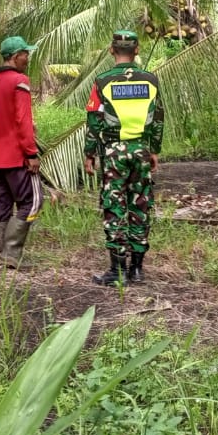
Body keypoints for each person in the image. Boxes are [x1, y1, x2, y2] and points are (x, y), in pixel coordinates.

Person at [83, 30, 164, 286]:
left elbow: (94, 120)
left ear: (111, 50)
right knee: (140, 206)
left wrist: (89, 154)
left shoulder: (103, 81)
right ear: (137, 50)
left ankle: (117, 270)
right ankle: (137, 269)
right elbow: (158, 117)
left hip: (113, 152)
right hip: (141, 150)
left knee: (114, 206)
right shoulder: (150, 80)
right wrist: (153, 150)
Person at [0, 35, 41, 268]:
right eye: (26, 54)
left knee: (3, 206)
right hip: (15, 156)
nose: (28, 58)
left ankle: (4, 254)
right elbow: (22, 120)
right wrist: (31, 153)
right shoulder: (20, 81)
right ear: (16, 56)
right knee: (33, 201)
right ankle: (11, 254)